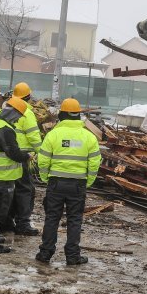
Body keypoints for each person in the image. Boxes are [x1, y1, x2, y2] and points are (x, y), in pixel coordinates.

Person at [35, 98, 100, 265]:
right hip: (78, 185)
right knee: (75, 220)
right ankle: (72, 256)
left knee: (52, 218)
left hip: (56, 183)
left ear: (62, 115)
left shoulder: (53, 135)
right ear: (78, 116)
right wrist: (88, 182)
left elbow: (42, 160)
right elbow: (94, 163)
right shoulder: (89, 137)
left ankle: (45, 253)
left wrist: (45, 178)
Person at [0, 97, 30, 253]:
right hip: (1, 178)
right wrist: (27, 156)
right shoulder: (5, 129)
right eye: (19, 116)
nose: (19, 119)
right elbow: (13, 153)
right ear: (14, 114)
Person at [1, 82, 41, 235]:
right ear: (28, 97)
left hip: (8, 155)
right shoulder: (27, 112)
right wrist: (42, 154)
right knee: (25, 190)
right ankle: (23, 224)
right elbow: (34, 137)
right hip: (24, 156)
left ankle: (7, 222)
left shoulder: (6, 108)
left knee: (11, 189)